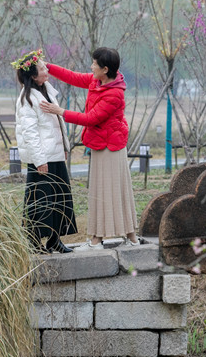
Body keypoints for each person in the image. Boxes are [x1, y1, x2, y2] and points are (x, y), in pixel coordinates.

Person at [39, 47, 140, 251]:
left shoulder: (114, 94)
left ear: (105, 68)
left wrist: (61, 111)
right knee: (107, 190)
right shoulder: (98, 81)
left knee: (110, 191)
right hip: (102, 144)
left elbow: (91, 119)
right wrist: (47, 66)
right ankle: (129, 238)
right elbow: (73, 77)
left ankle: (98, 241)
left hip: (110, 148)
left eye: (94, 63)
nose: (91, 66)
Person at [13, 49, 77, 254]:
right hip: (42, 159)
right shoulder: (27, 98)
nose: (46, 69)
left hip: (55, 155)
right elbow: (29, 133)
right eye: (41, 68)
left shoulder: (47, 91)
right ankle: (34, 243)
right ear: (32, 75)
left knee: (59, 198)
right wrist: (40, 160)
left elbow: (57, 123)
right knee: (40, 201)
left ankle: (54, 240)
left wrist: (64, 147)